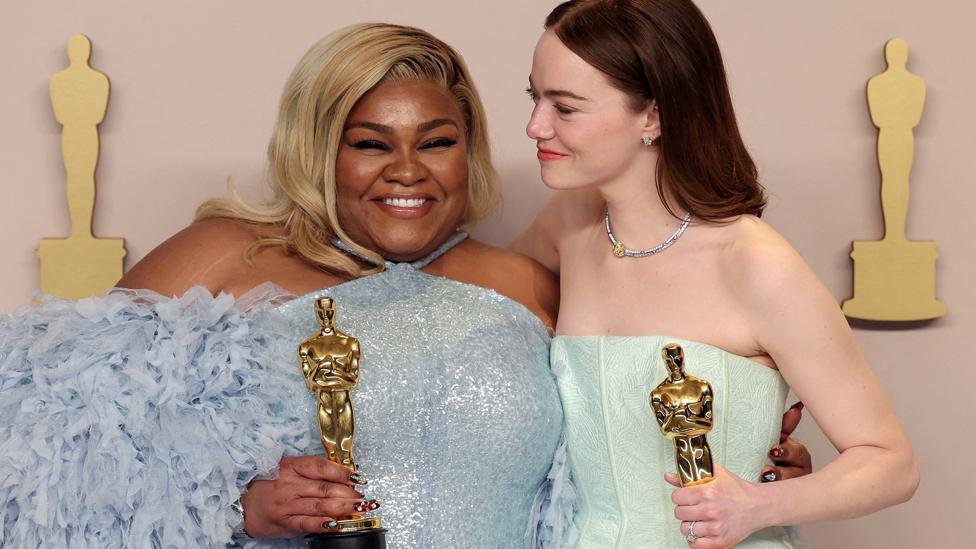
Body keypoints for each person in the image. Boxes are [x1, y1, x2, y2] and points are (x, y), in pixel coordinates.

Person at [0, 20, 809, 549]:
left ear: (470, 151)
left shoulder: (525, 282)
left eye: (438, 140)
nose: (408, 172)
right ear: (320, 148)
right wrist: (237, 507)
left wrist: (751, 452)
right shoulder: (227, 256)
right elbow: (42, 455)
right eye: (369, 143)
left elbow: (621, 426)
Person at [511, 1, 919, 547]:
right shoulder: (568, 224)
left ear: (653, 115)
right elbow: (479, 306)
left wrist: (762, 502)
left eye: (565, 107)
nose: (535, 125)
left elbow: (892, 462)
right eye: (535, 97)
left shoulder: (755, 266)